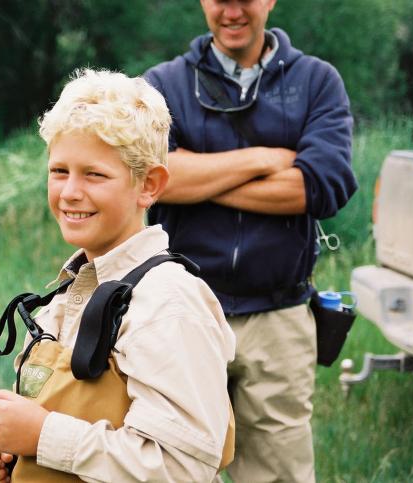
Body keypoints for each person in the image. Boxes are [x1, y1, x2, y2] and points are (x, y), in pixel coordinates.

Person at [0, 69, 236, 482]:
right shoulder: (59, 299)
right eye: (59, 171)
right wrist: (10, 465)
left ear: (149, 185)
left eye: (94, 174)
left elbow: (181, 468)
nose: (71, 191)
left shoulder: (169, 302)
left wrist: (41, 437)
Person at [143, 1, 358, 482]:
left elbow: (320, 186)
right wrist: (268, 158)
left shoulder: (318, 81)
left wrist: (199, 175)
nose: (232, 11)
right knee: (170, 467)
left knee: (278, 474)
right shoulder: (161, 85)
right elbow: (153, 175)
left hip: (280, 316)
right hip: (182, 311)